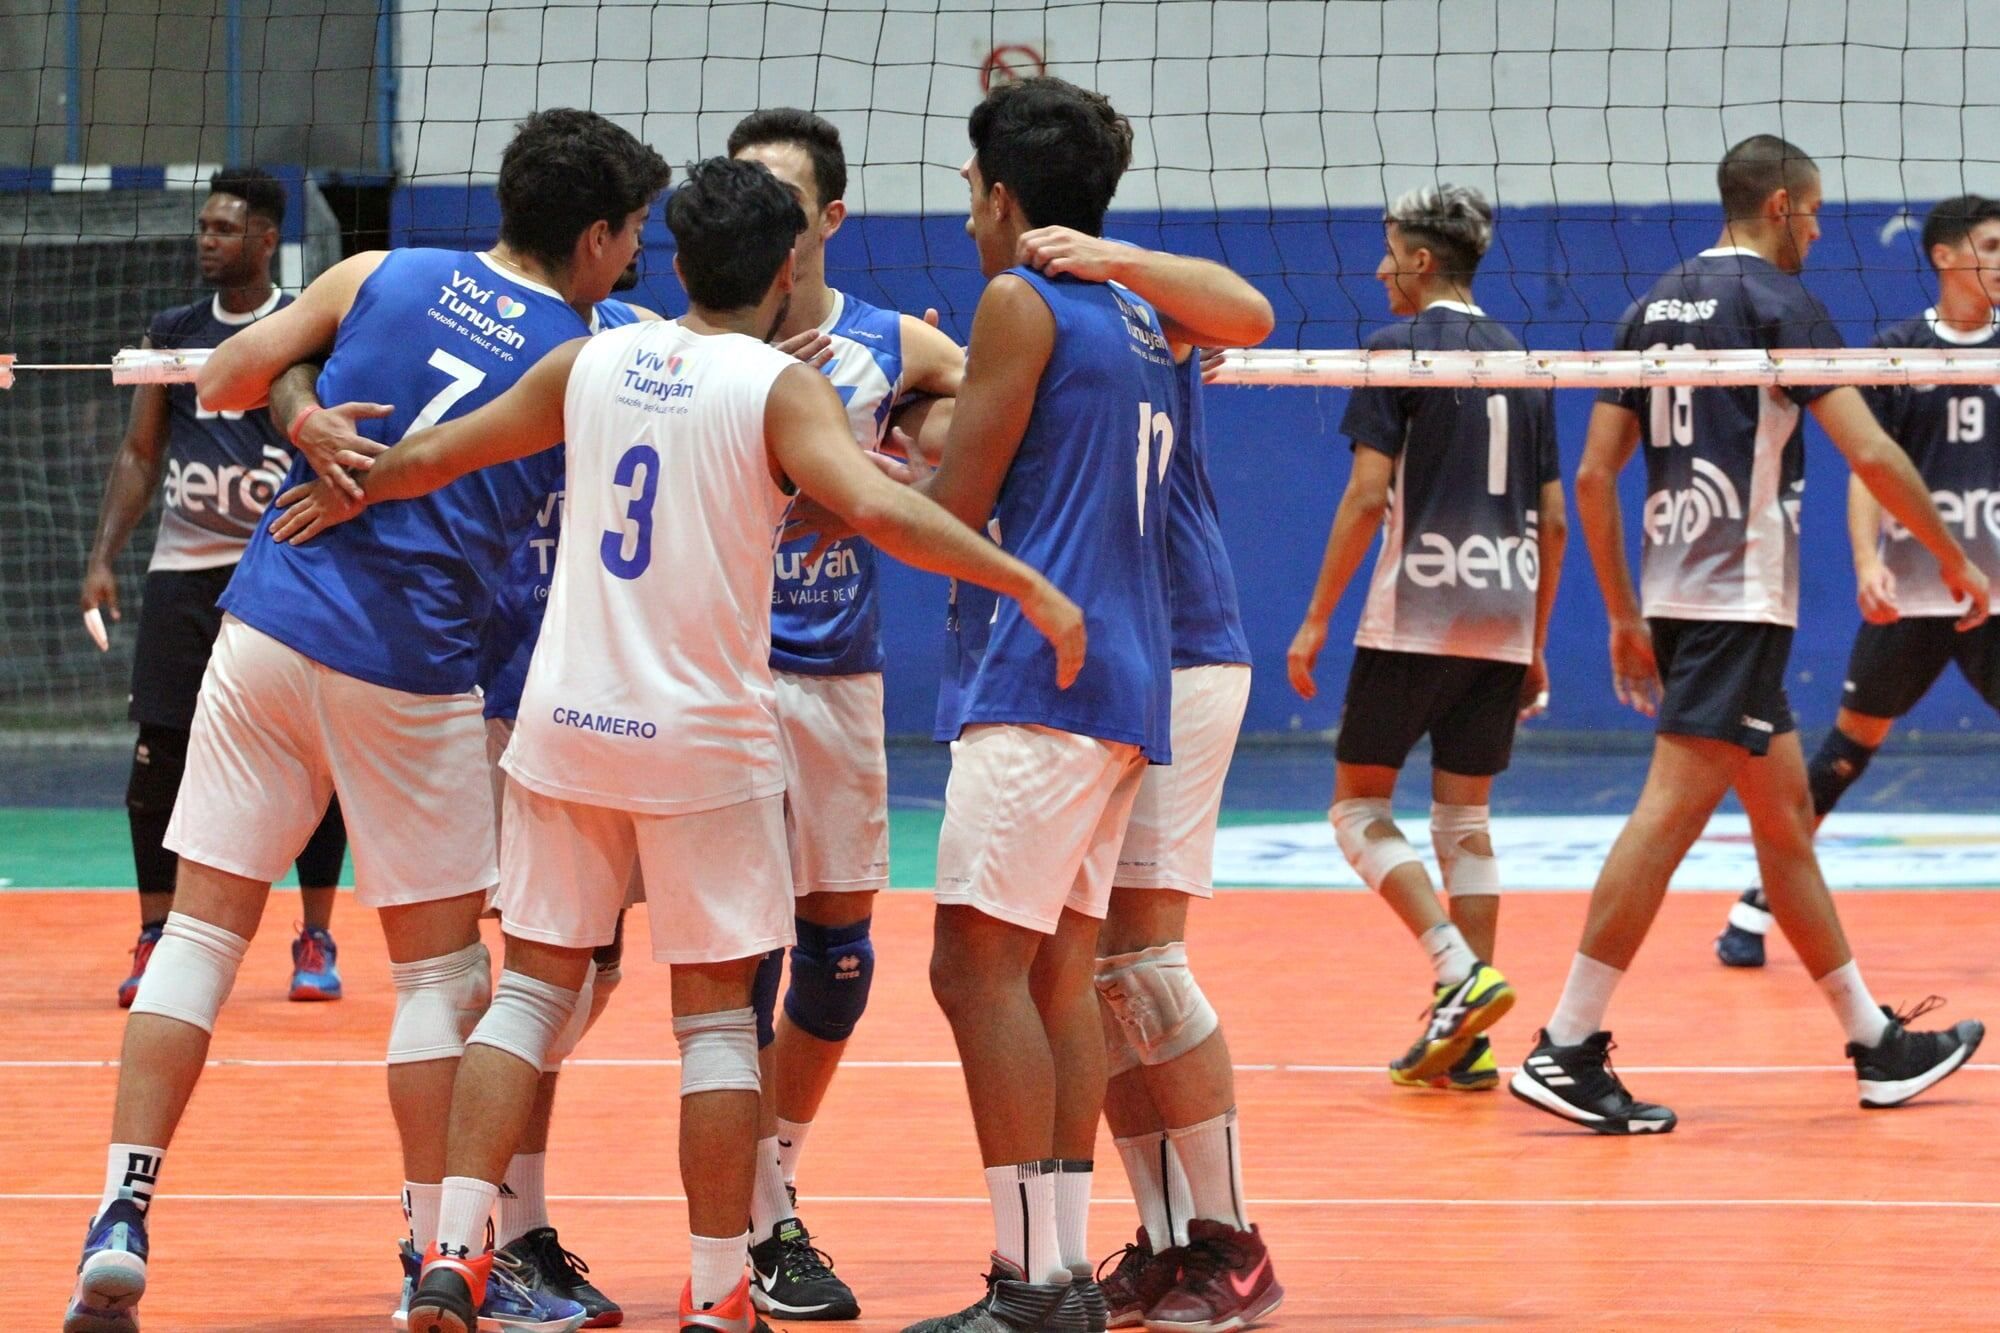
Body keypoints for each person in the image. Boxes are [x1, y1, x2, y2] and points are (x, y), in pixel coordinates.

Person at [347, 156, 1084, 1333]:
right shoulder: (776, 389)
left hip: (563, 729)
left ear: (676, 262)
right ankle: (714, 1293)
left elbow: (443, 453)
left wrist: (353, 483)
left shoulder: (587, 359)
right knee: (710, 1024)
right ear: (786, 268)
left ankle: (447, 1255)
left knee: (527, 997)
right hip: (699, 744)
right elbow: (892, 511)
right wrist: (1026, 584)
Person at [63, 109, 669, 1333]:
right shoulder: (594, 352)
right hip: (409, 665)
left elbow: (226, 377)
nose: (635, 254)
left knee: (198, 935)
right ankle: (430, 1250)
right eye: (632, 234)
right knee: (441, 971)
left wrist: (304, 415)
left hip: (268, 623)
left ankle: (120, 1214)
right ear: (596, 237)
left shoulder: (378, 271)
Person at [1510, 135, 1989, 1135]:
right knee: (1666, 817)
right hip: (1736, 598)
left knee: (1781, 829)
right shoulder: (1779, 305)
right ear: (1777, 204)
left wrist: (1620, 613)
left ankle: (1873, 1044)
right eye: (1811, 213)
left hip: (1678, 595)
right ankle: (1564, 1042)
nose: (1816, 230)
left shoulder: (1647, 305)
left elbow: (1595, 474)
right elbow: (1866, 449)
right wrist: (1951, 559)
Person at [892, 77, 1272, 1333]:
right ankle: (1063, 1275)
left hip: (1057, 669)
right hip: (1125, 671)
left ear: (1002, 198)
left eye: (967, 195)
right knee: (1066, 970)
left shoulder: (1029, 298)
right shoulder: (1137, 318)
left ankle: (1055, 1273)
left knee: (982, 966)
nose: (963, 221)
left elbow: (954, 510)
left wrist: (824, 476)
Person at [268, 279, 659, 1330]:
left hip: (584, 691)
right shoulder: (481, 320)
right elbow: (279, 370)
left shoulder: (641, 343)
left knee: (587, 966)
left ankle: (501, 1228)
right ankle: (480, 1235)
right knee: (507, 974)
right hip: (477, 683)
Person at [724, 106, 966, 1323]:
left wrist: (913, 448)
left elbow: (979, 403)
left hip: (837, 681)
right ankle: (758, 1226)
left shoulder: (885, 340)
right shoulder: (695, 339)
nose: (762, 215)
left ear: (826, 218)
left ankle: (774, 1179)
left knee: (839, 964)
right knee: (713, 961)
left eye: (782, 196)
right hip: (712, 683)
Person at [1286, 184, 1563, 1093]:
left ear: (1421, 260)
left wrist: (1319, 615)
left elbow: (1369, 497)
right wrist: (1536, 639)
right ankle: (1470, 1038)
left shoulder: (1395, 350)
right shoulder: (1524, 361)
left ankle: (1459, 969)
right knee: (1465, 821)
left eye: (1388, 250)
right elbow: (1551, 520)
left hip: (1417, 611)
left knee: (1356, 809)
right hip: (1505, 615)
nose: (1378, 268)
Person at [77, 166, 348, 1007]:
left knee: (314, 754)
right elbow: (140, 452)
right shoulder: (173, 329)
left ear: (268, 239)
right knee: (159, 756)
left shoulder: (303, 325)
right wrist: (101, 556)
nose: (207, 239)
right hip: (184, 573)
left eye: (225, 228)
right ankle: (155, 935)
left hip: (281, 570)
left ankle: (315, 932)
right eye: (203, 226)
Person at [1714, 194, 2000, 966]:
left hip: (1995, 595)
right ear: (1945, 257)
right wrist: (1870, 562)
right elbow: (1867, 467)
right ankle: (1758, 900)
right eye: (1993, 245)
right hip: (1913, 591)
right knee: (1846, 750)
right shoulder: (1896, 350)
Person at [1091, 330, 1285, 1330]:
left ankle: (1231, 1240)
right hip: (1097, 656)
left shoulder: (1133, 307)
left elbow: (1242, 306)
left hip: (1182, 646)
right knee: (1098, 973)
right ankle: (1165, 1242)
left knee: (1143, 963)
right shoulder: (1017, 314)